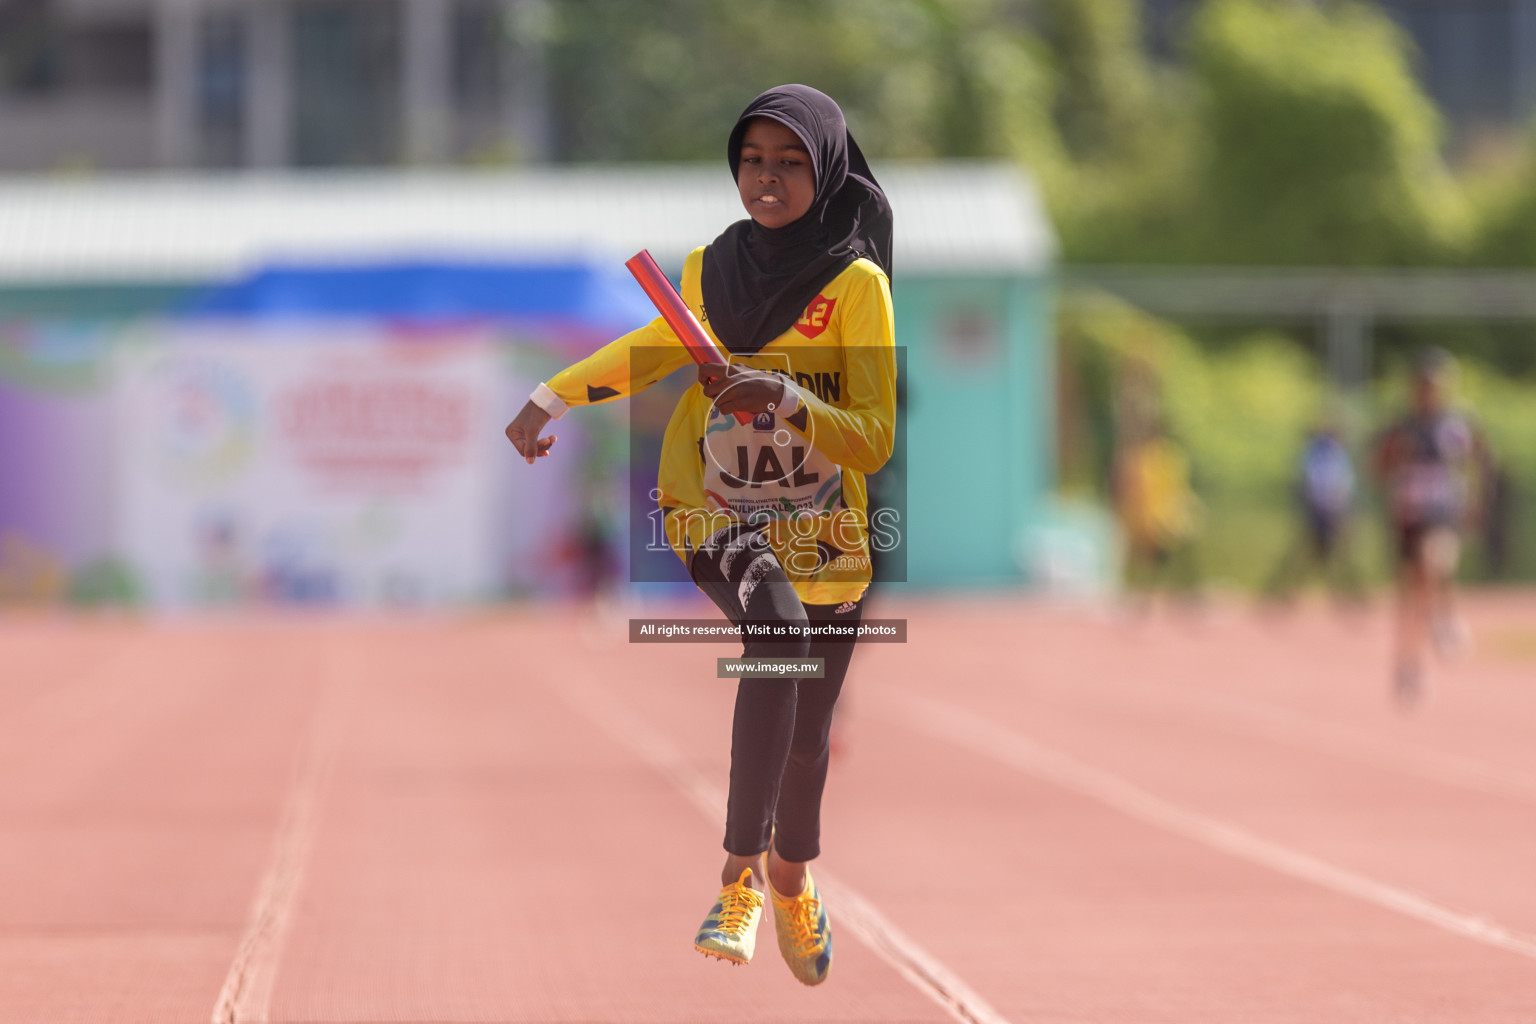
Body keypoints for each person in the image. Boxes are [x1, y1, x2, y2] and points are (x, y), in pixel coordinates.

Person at [504, 85, 895, 985]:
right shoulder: (707, 268)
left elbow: (873, 433)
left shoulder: (856, 284)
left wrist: (788, 400)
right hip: (711, 504)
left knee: (809, 732)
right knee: (779, 639)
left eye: (791, 162)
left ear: (826, 169)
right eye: (754, 160)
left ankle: (793, 879)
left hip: (822, 529)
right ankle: (738, 880)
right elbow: (655, 346)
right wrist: (552, 393)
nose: (768, 178)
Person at [1373, 348, 1490, 705]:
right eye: (1423, 385)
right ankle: (1408, 666)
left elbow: (1482, 460)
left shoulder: (1458, 424)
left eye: (1435, 385)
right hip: (1408, 517)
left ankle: (1447, 619)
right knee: (1411, 597)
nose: (1429, 391)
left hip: (1442, 513)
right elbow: (1379, 468)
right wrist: (1394, 455)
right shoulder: (1401, 426)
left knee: (1434, 560)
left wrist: (1477, 502)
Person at [1263, 419, 1365, 606]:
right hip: (1320, 510)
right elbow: (1311, 483)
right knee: (1314, 554)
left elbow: (1344, 487)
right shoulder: (1317, 453)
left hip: (1332, 511)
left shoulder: (1333, 454)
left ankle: (1347, 594)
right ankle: (1283, 590)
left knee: (1334, 555)